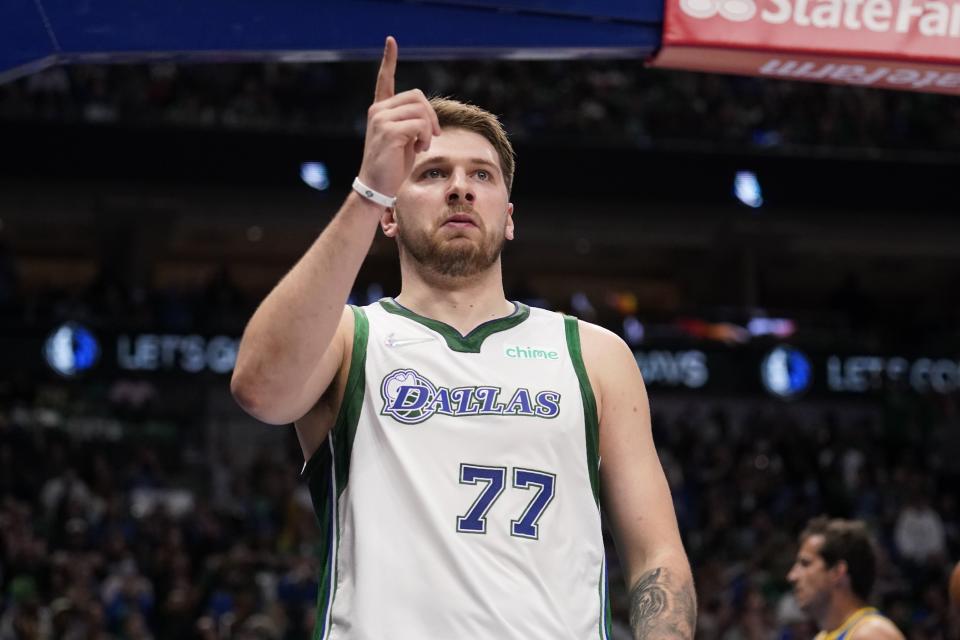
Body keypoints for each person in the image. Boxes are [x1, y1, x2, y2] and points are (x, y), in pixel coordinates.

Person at [231, 36, 695, 639]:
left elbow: (657, 554)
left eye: (481, 174)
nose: (460, 187)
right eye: (430, 174)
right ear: (390, 214)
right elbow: (260, 389)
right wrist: (367, 188)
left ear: (507, 216)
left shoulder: (594, 354)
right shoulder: (349, 337)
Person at [787, 516, 904, 640]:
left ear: (837, 572)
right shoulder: (821, 637)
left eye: (805, 563)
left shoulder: (872, 634)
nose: (792, 576)